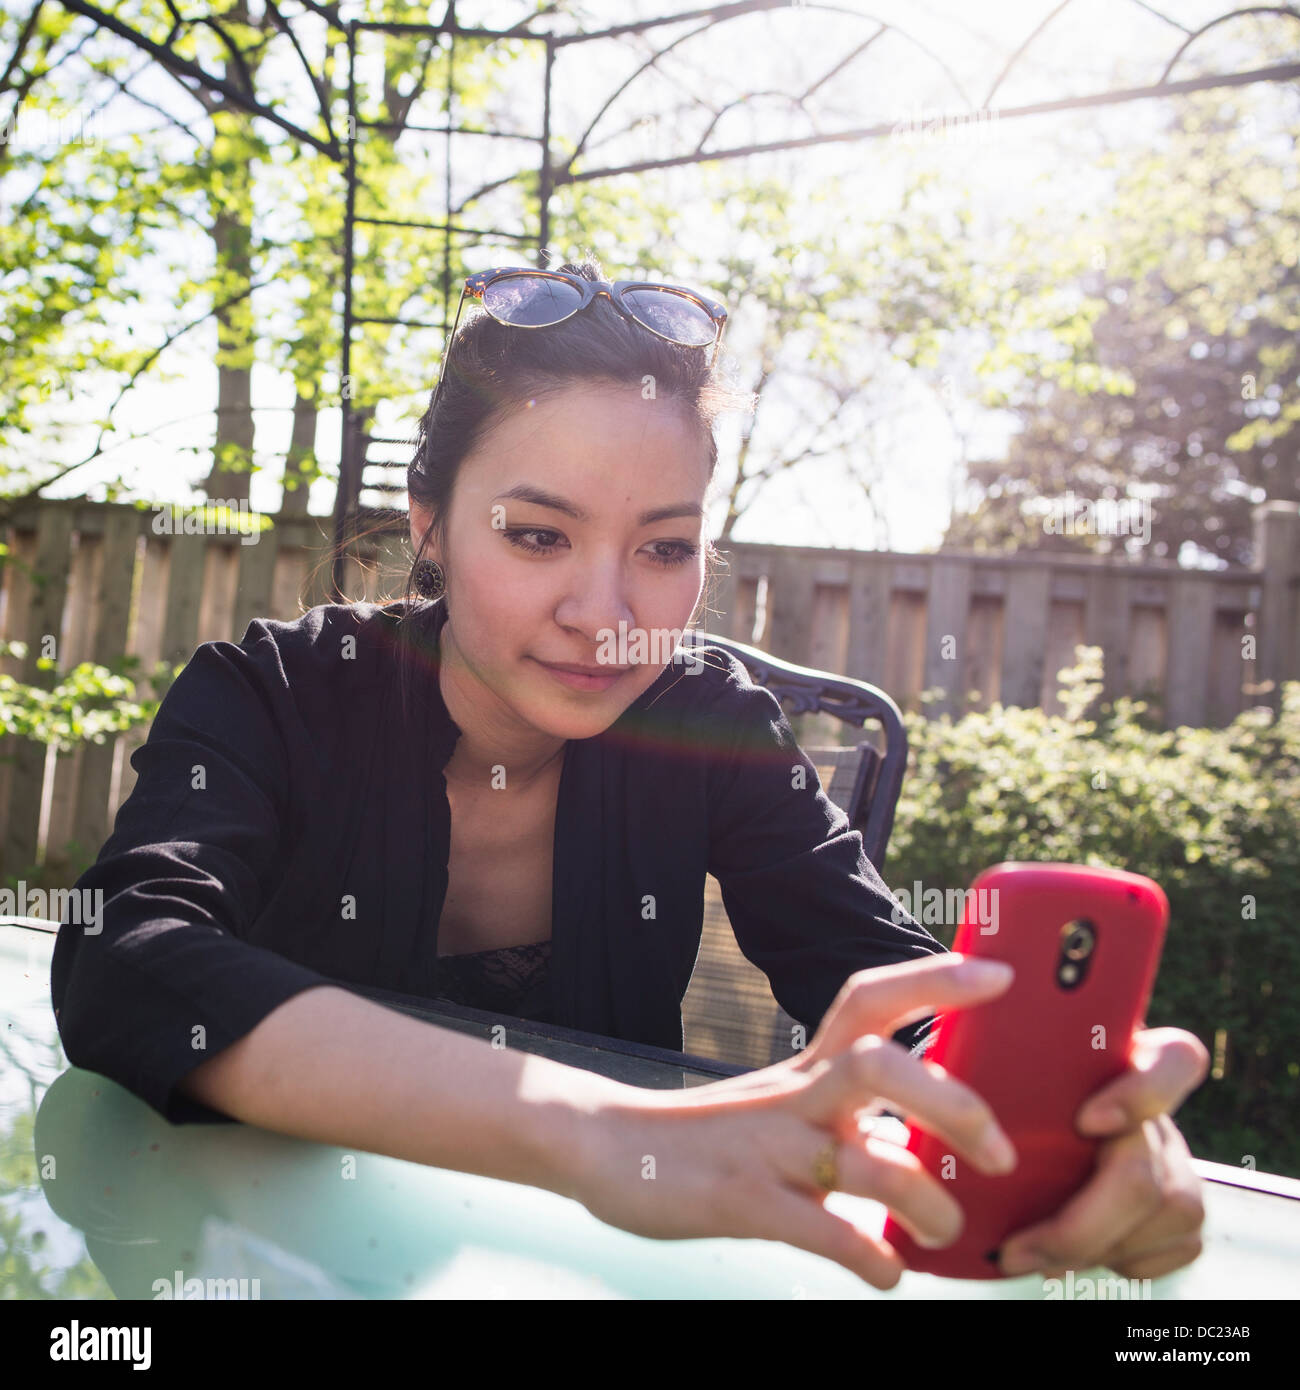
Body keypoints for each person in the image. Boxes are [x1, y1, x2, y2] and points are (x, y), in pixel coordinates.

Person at [51, 258, 1207, 1289]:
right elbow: (128, 956)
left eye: (662, 548)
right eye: (537, 534)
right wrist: (599, 1132)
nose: (605, 615)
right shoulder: (274, 692)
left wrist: (1046, 1123)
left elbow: (890, 989)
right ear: (432, 526)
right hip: (264, 1248)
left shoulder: (709, 725)